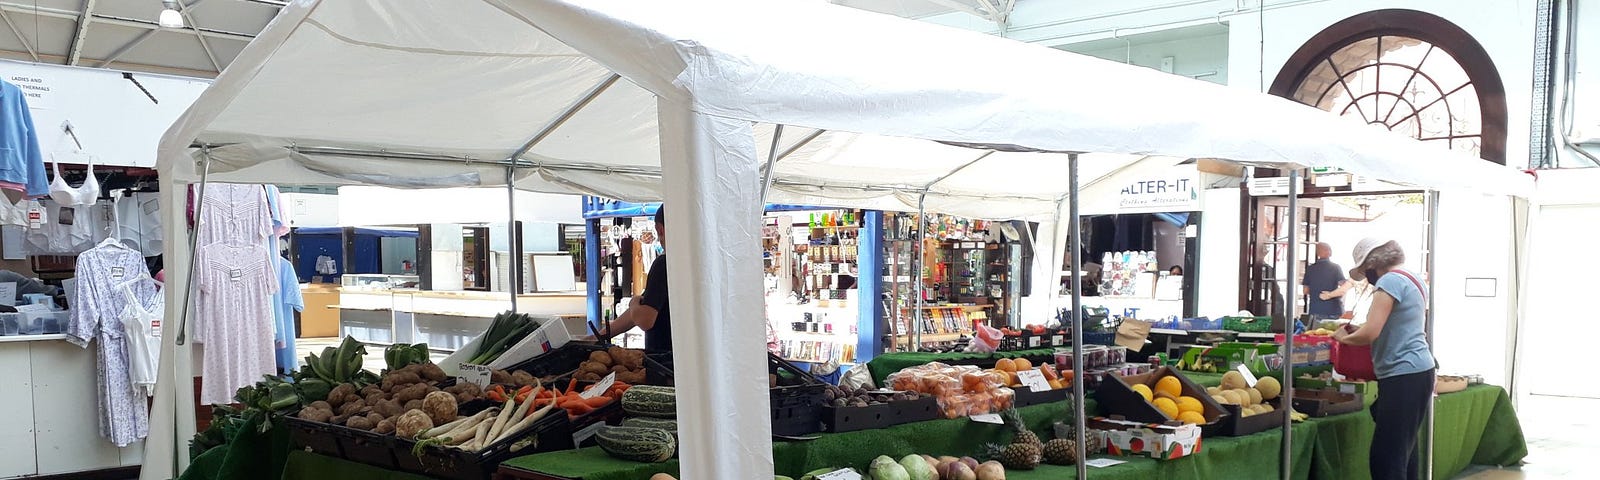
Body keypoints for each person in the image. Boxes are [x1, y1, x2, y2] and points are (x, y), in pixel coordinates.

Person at [1332, 238, 1434, 480]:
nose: (1367, 277)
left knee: (1386, 458)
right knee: (1404, 452)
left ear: (1372, 264)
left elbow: (1371, 331)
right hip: (1418, 370)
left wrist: (1342, 338)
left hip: (1403, 374)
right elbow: (1396, 324)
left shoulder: (1389, 281)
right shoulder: (1412, 277)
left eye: (1366, 270)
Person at [598, 206, 672, 352]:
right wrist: (598, 337)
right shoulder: (701, 264)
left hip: (665, 364)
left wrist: (633, 304)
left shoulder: (664, 264)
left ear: (660, 229)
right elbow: (646, 308)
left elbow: (645, 319)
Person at [1303, 242, 1348, 321]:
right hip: (1333, 309)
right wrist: (1332, 294)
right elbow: (1344, 288)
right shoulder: (1335, 268)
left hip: (1315, 309)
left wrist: (1316, 292)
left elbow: (1305, 290)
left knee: (1315, 332)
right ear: (1329, 252)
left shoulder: (1310, 269)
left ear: (1318, 253)